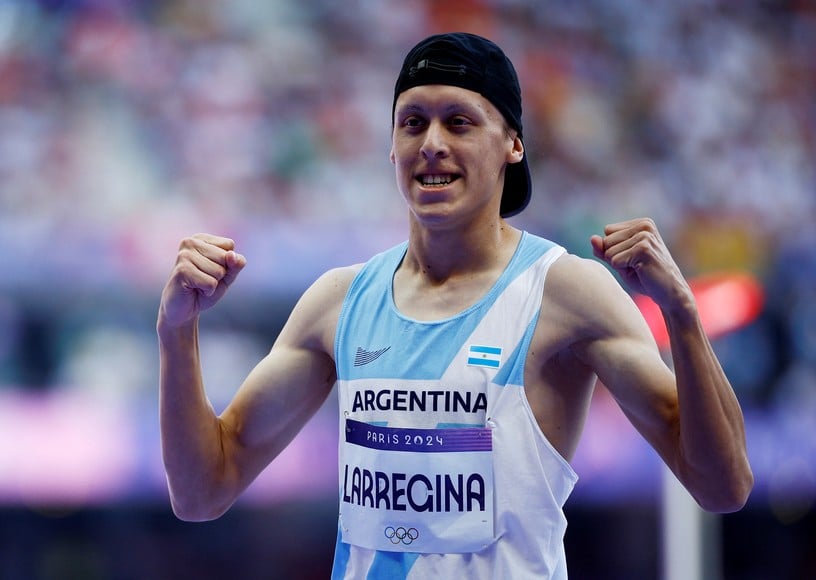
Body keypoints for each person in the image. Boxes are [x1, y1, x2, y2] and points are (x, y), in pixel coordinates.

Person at [157, 32, 753, 579]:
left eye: (460, 122)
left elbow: (721, 485)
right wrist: (177, 333)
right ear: (391, 148)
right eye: (412, 123)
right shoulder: (338, 302)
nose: (433, 145)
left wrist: (682, 314)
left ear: (513, 144)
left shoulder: (566, 293)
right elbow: (202, 491)